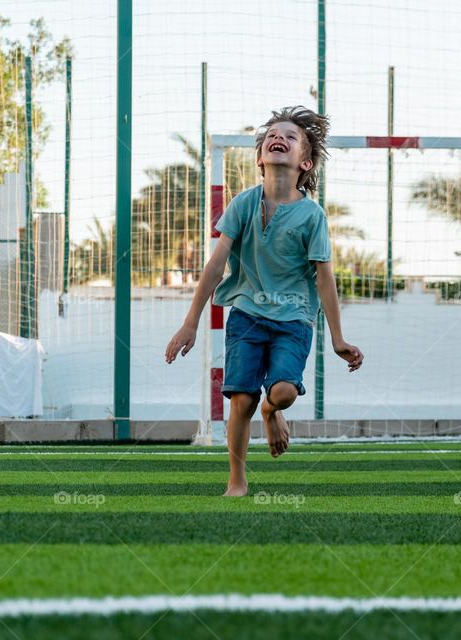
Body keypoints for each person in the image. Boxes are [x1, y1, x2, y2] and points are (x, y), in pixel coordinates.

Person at [165, 106, 363, 496]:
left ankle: (272, 411)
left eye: (291, 137)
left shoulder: (312, 216)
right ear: (260, 157)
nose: (280, 138)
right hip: (247, 316)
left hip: (293, 319)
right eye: (274, 134)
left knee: (284, 392)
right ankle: (236, 480)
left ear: (304, 161)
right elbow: (214, 266)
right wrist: (190, 322)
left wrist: (338, 338)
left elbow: (325, 279)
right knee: (241, 398)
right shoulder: (242, 205)